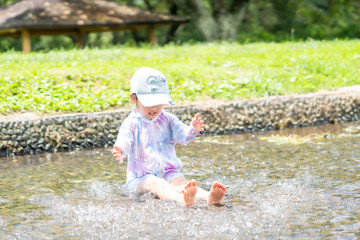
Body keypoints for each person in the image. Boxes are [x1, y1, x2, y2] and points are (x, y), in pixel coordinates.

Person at [112, 67, 226, 206]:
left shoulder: (167, 119)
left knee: (181, 182)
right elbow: (125, 138)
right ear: (133, 98)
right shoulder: (132, 122)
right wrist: (121, 149)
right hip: (141, 178)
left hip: (168, 172)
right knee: (156, 183)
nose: (154, 108)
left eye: (158, 103)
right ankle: (181, 199)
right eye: (149, 103)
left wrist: (192, 130)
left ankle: (209, 197)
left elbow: (182, 135)